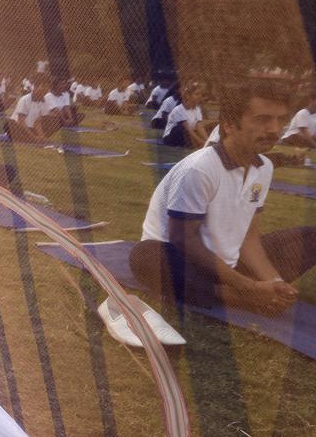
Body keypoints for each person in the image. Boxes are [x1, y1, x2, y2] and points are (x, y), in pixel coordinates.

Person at [130, 79, 316, 315]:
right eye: (263, 119)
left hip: (230, 263)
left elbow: (249, 236)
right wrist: (248, 287)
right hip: (187, 261)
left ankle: (251, 291)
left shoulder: (264, 167)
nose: (274, 129)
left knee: (311, 237)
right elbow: (185, 240)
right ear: (229, 125)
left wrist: (274, 282)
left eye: (280, 120)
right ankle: (233, 296)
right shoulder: (200, 168)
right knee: (145, 256)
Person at [5, 77, 61, 143]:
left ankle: (30, 139)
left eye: (47, 88)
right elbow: (20, 122)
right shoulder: (24, 99)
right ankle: (30, 139)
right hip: (20, 128)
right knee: (9, 124)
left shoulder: (44, 102)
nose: (45, 90)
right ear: (35, 87)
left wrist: (41, 136)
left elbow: (38, 122)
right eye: (43, 87)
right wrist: (34, 137)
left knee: (54, 120)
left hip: (31, 129)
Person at [161, 83, 208, 148]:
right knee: (181, 128)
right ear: (188, 96)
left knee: (207, 127)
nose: (199, 96)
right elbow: (187, 129)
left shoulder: (197, 109)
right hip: (170, 137)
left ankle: (196, 144)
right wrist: (201, 142)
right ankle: (193, 144)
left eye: (201, 94)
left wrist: (207, 141)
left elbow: (199, 126)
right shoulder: (179, 109)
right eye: (196, 94)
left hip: (187, 135)